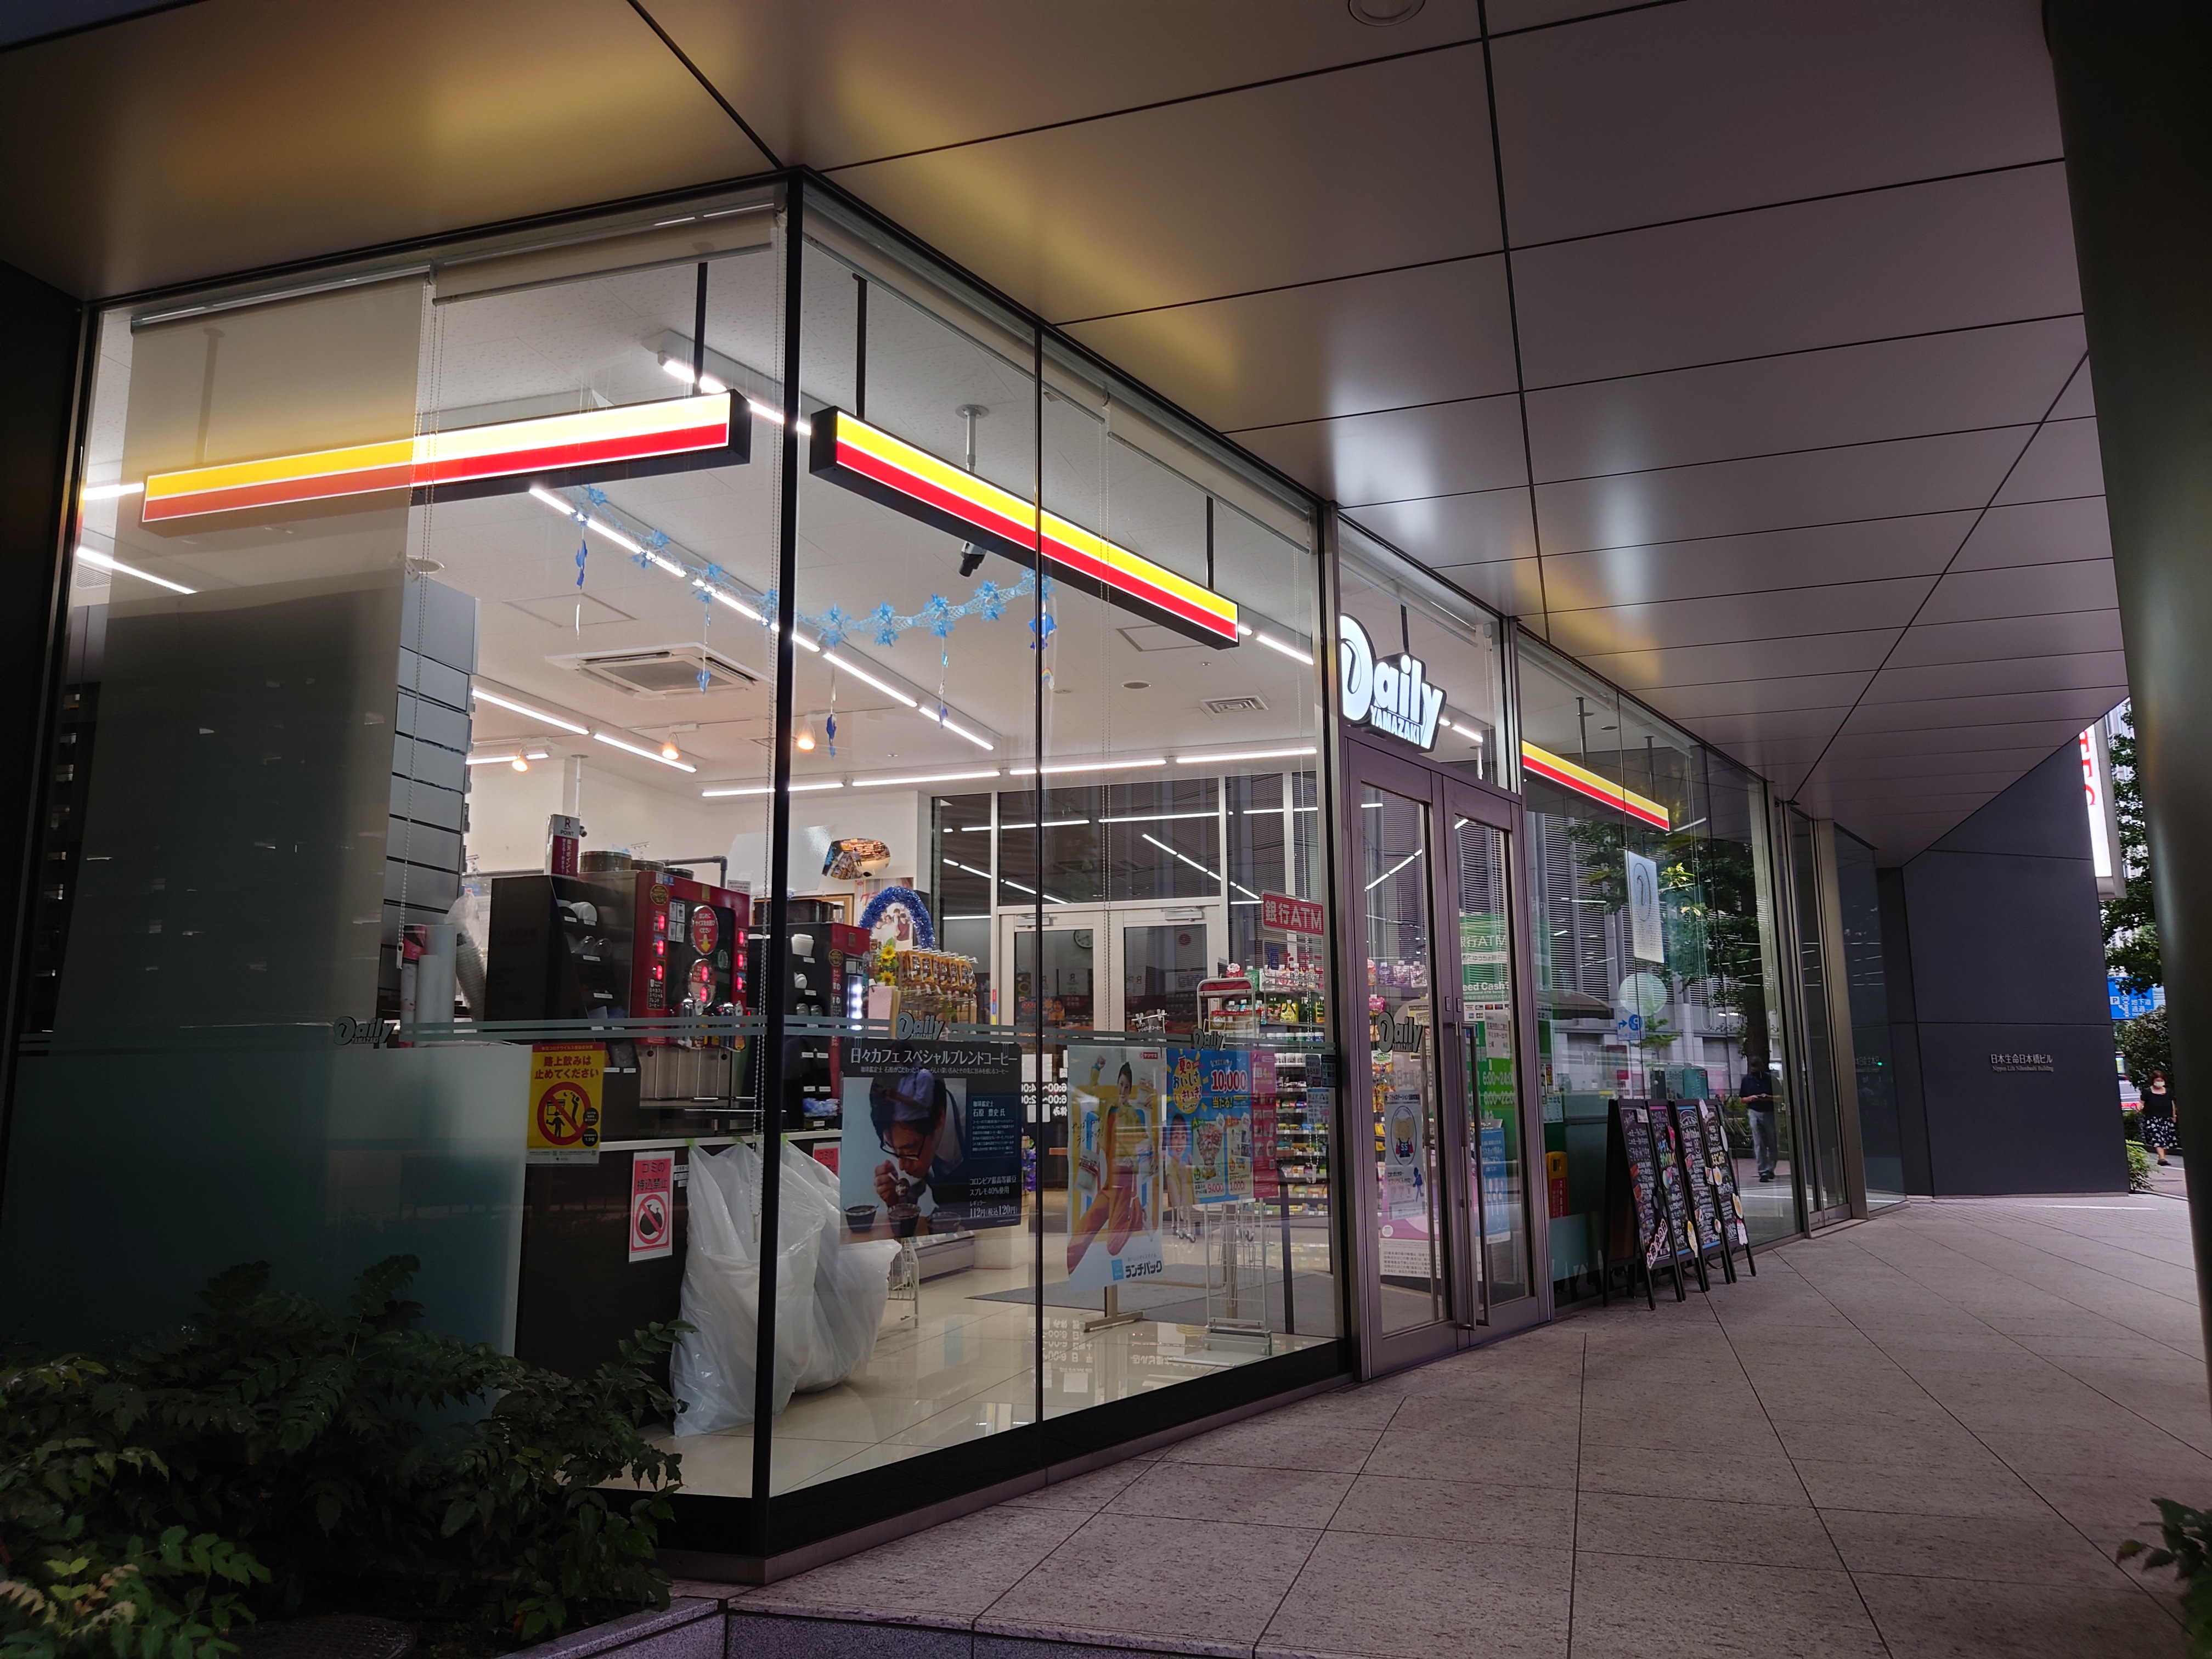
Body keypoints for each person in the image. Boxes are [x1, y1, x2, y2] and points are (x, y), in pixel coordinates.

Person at [869, 1066, 972, 1235]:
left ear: (939, 1118)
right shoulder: (907, 1142)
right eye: (893, 1149)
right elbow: (908, 1202)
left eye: (908, 1149)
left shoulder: (973, 1118)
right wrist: (895, 1201)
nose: (902, 1166)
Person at [1740, 1059, 1780, 1182]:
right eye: (1753, 1069)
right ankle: (1763, 1171)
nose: (1754, 1071)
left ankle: (1771, 1168)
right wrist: (1750, 1099)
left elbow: (1781, 1097)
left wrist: (1769, 1098)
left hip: (1769, 1112)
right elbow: (1742, 1099)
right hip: (1754, 1111)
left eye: (1756, 1068)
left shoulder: (1771, 1079)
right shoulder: (1747, 1080)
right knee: (1759, 1142)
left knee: (1772, 1141)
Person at [2141, 1069, 2180, 1167]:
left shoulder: (2168, 1092)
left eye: (2161, 1080)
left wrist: (2174, 1115)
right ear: (2153, 1080)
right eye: (2157, 1080)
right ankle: (2162, 1158)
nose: (2159, 1082)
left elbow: (2172, 1104)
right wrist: (2138, 1108)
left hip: (2166, 1118)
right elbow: (2141, 1102)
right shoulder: (2147, 1092)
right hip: (2153, 1118)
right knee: (2157, 1137)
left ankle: (2162, 1158)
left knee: (2166, 1139)